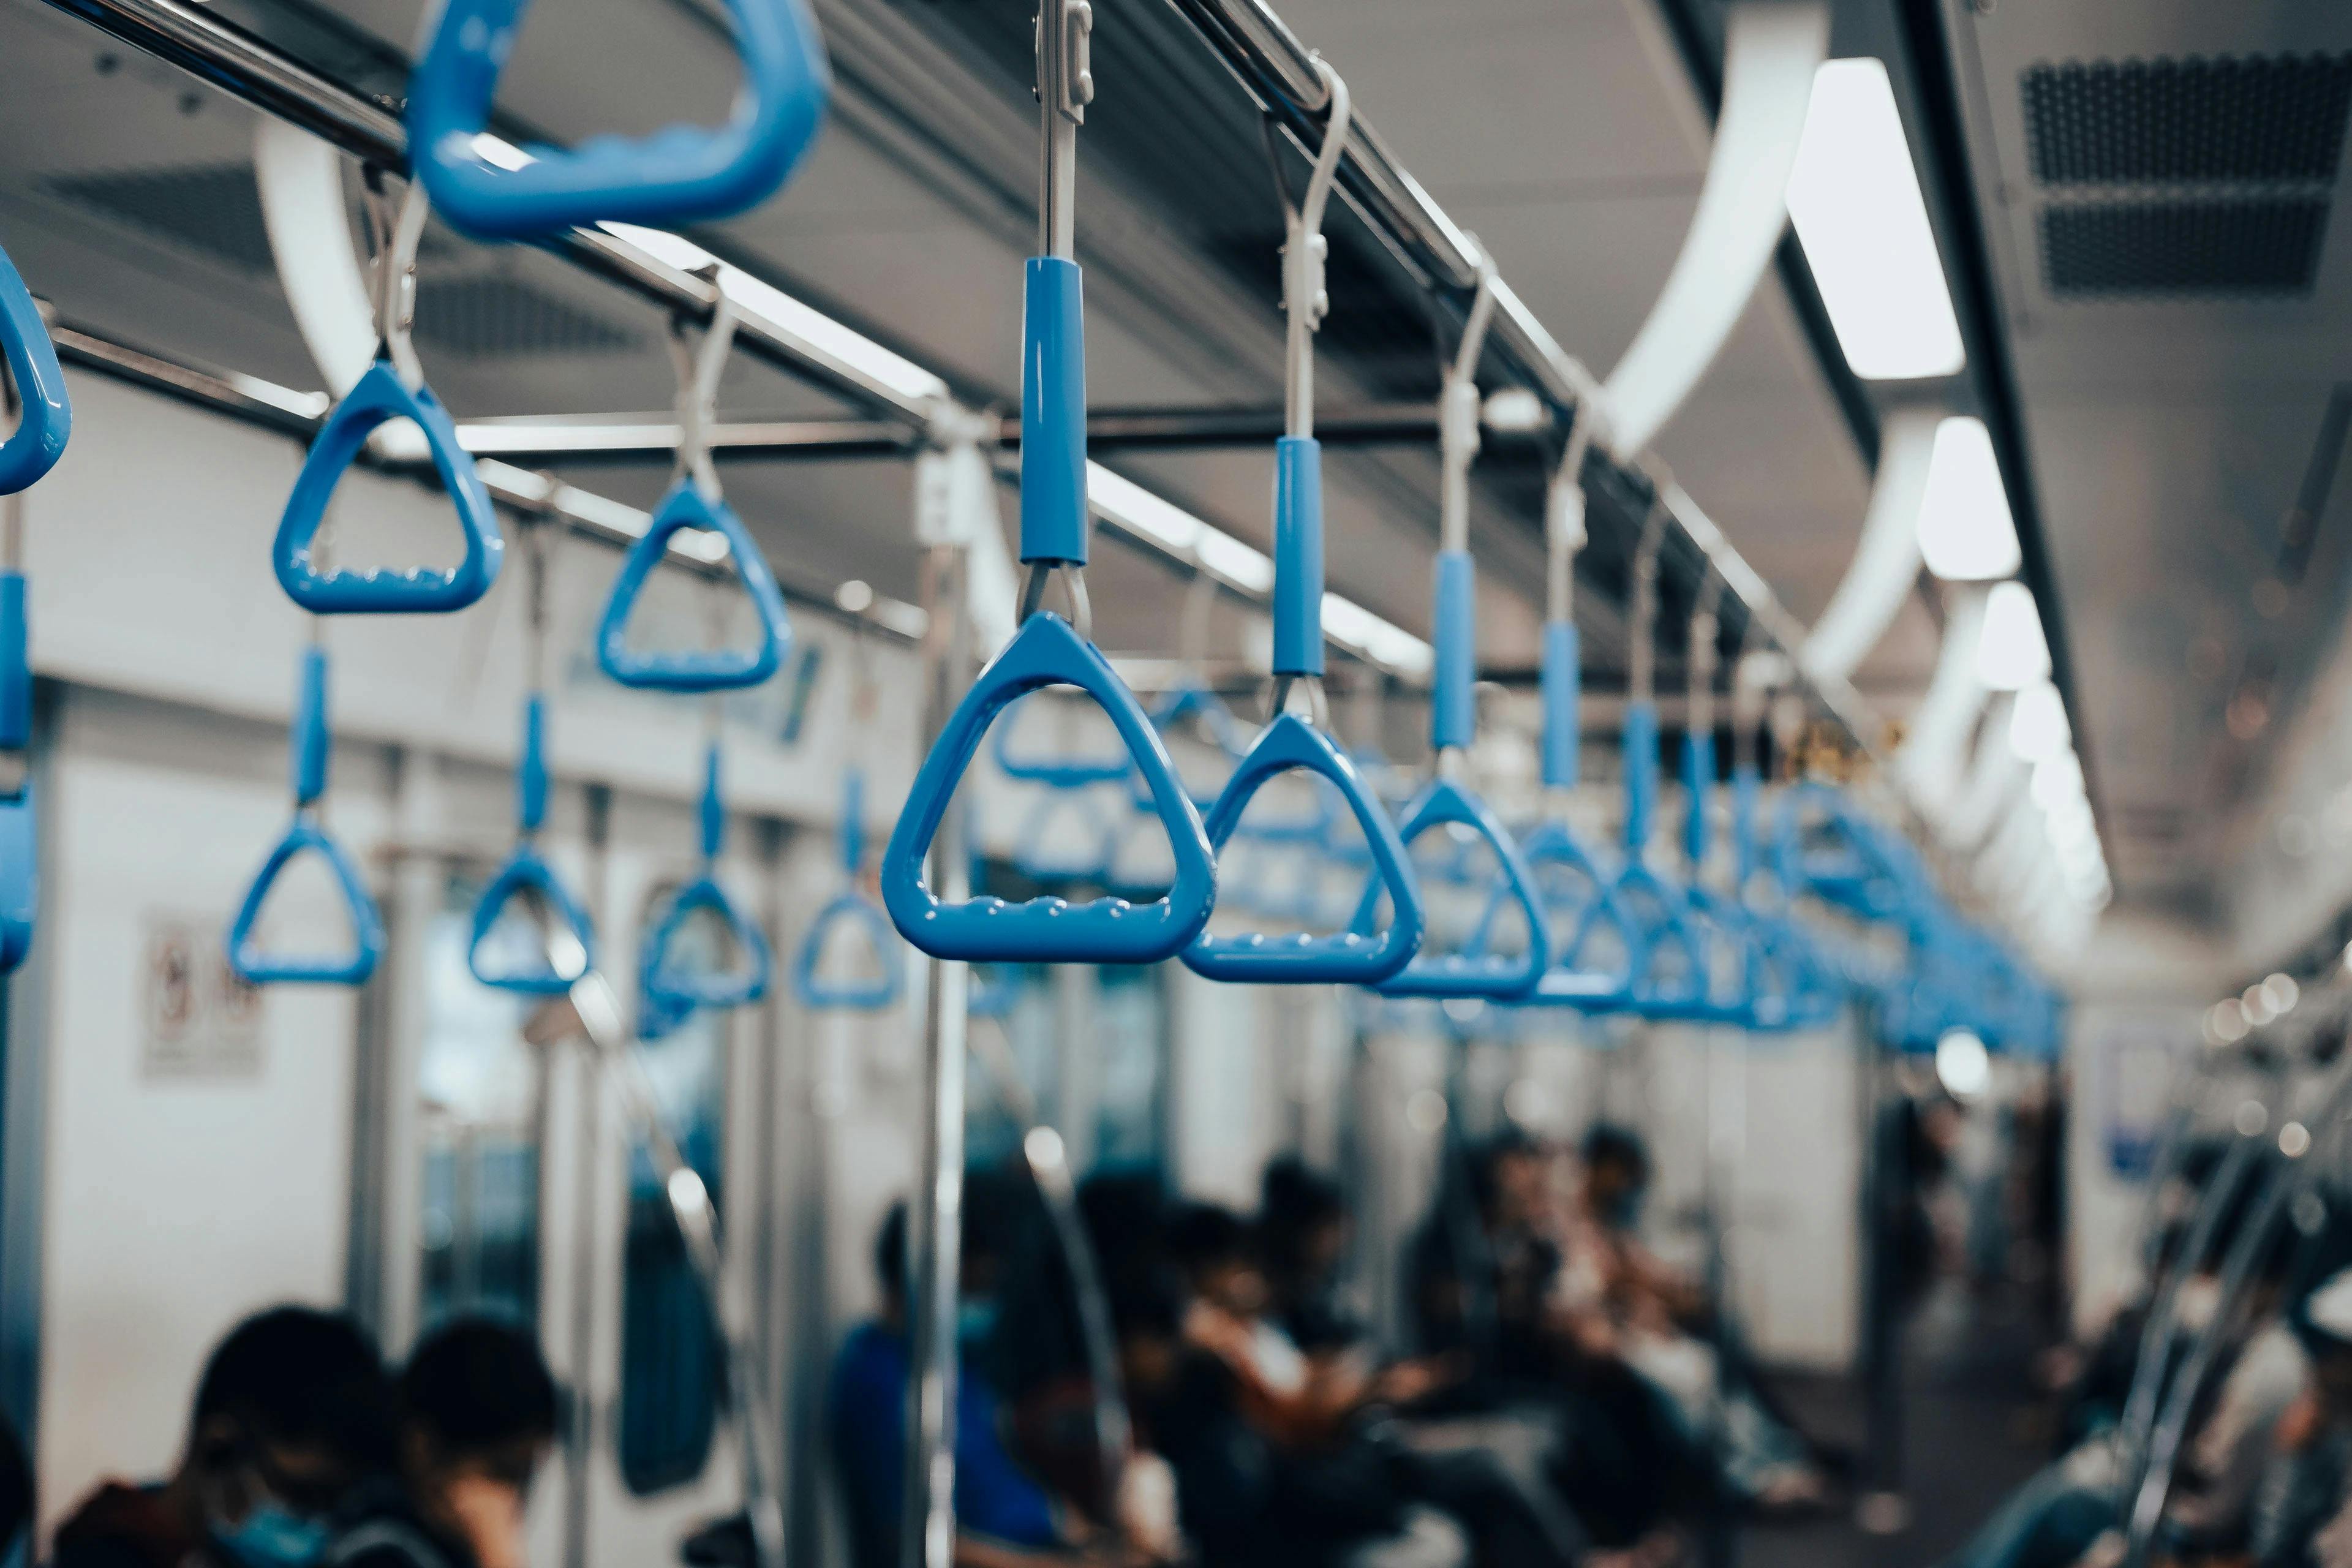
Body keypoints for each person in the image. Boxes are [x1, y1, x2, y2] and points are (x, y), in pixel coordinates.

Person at [831, 1194, 1139, 1568]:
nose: (977, 1305)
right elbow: (905, 1537)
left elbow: (1001, 1473)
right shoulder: (879, 1386)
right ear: (924, 1282)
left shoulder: (951, 1368)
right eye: (971, 1289)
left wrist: (1083, 1536)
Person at [52, 1306, 396, 1568]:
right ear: (219, 1446)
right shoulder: (102, 1556)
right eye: (301, 1496)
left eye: (333, 1505)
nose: (318, 1527)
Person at [323, 1317, 560, 1568]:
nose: (510, 1498)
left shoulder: (440, 1547)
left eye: (526, 1475)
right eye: (501, 1472)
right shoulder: (378, 1552)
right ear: (424, 1449)